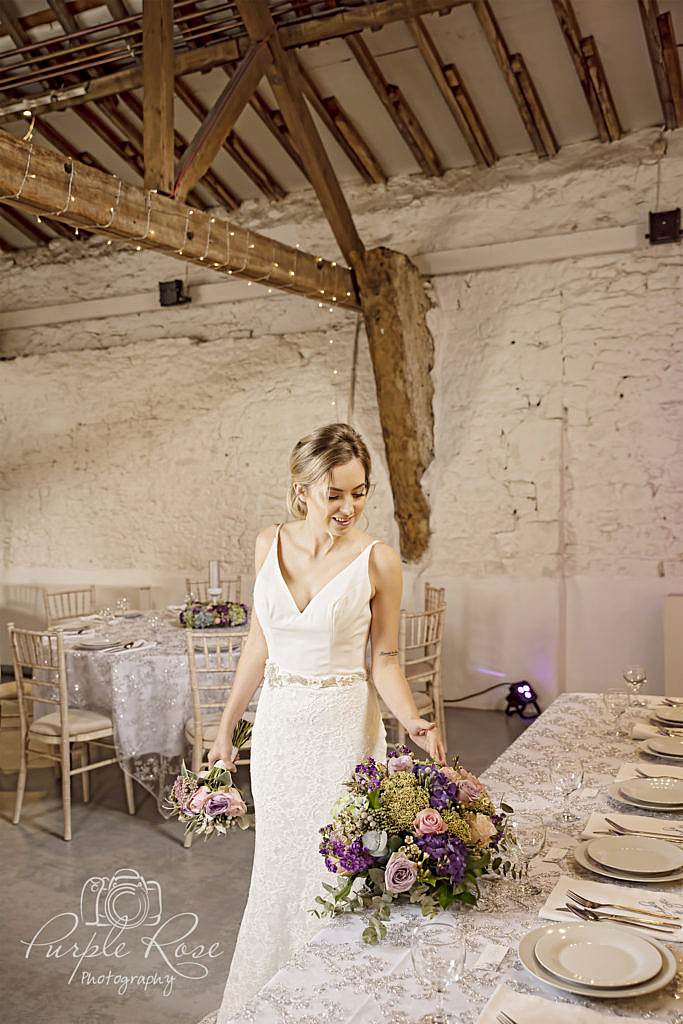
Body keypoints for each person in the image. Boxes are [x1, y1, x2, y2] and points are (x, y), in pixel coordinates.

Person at [206, 422, 445, 1022]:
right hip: (280, 730)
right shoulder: (268, 544)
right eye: (334, 493)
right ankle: (274, 1000)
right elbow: (258, 644)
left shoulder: (379, 560)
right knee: (280, 865)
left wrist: (413, 720)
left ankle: (337, 1002)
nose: (348, 506)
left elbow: (383, 659)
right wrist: (227, 726)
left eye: (359, 492)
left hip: (343, 728)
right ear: (302, 487)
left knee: (336, 867)